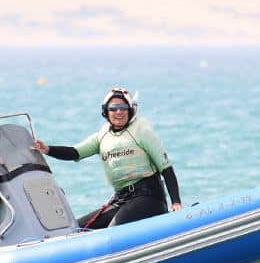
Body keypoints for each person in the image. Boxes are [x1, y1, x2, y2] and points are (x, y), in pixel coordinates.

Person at [34, 87, 181, 229]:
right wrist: (47, 149)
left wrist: (176, 203)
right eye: (113, 108)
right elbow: (75, 152)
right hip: (121, 199)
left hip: (149, 197)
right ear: (106, 111)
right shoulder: (103, 135)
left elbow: (166, 168)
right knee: (77, 228)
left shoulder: (142, 131)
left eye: (123, 107)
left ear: (131, 110)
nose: (119, 112)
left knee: (114, 230)